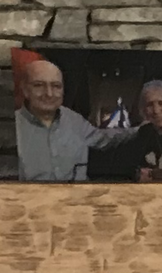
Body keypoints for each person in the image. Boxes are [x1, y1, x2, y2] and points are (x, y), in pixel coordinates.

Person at [12, 52, 104, 181]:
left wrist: (140, 130)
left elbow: (104, 138)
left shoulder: (74, 120)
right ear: (25, 89)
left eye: (56, 86)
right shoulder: (10, 127)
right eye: (39, 85)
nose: (49, 94)